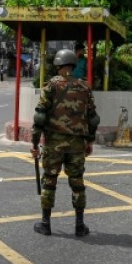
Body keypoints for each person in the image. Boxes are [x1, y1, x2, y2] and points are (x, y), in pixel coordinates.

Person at [30, 49, 99, 237]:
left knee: (49, 182)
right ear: (73, 65)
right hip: (77, 145)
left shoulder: (51, 87)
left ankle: (45, 223)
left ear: (59, 65)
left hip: (53, 144)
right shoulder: (84, 87)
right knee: (77, 183)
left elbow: (39, 117)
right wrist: (90, 141)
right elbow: (93, 119)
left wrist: (35, 144)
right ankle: (79, 225)